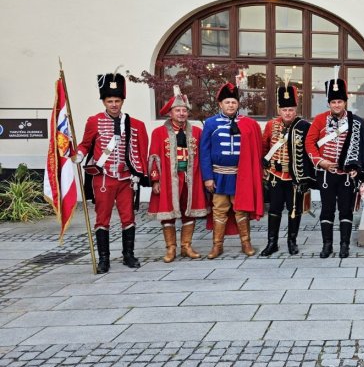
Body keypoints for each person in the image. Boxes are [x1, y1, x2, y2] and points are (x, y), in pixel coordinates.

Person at [74, 71, 149, 273]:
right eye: (110, 101)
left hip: (125, 179)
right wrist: (78, 155)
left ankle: (128, 255)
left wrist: (140, 173)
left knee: (128, 218)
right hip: (103, 178)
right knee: (102, 219)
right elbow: (85, 144)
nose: (114, 104)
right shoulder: (94, 121)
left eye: (117, 100)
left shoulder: (134, 124)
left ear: (122, 101)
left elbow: (141, 150)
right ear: (104, 102)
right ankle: (104, 259)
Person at [306, 72, 364, 258]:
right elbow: (309, 143)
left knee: (346, 209)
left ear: (345, 102)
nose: (336, 105)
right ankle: (327, 245)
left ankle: (344, 245)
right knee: (326, 209)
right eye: (333, 102)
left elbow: (363, 145)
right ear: (329, 103)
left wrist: (356, 168)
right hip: (326, 173)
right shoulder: (319, 119)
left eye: (340, 102)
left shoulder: (355, 122)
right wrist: (321, 162)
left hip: (346, 175)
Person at [200, 82, 264, 259]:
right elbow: (204, 152)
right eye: (227, 102)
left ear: (238, 104)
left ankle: (246, 243)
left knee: (241, 209)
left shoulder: (247, 123)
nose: (230, 105)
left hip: (240, 176)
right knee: (219, 209)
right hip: (219, 175)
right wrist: (207, 177)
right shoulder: (211, 124)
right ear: (220, 104)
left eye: (233, 102)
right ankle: (217, 246)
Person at [147, 86, 207, 263]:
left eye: (184, 110)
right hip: (168, 179)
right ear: (170, 113)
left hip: (190, 178)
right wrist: (155, 180)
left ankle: (186, 246)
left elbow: (202, 157)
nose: (181, 113)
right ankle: (170, 248)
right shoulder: (158, 133)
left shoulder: (197, 132)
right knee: (169, 212)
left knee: (190, 212)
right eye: (177, 110)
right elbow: (154, 157)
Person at [260, 82, 314, 257]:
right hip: (275, 176)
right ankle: (272, 243)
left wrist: (306, 177)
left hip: (293, 178)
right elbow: (264, 146)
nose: (288, 113)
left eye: (291, 109)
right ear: (279, 110)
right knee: (274, 210)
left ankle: (292, 241)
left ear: (295, 110)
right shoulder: (270, 125)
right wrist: (264, 166)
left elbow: (308, 152)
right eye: (284, 110)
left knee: (294, 210)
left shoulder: (303, 126)